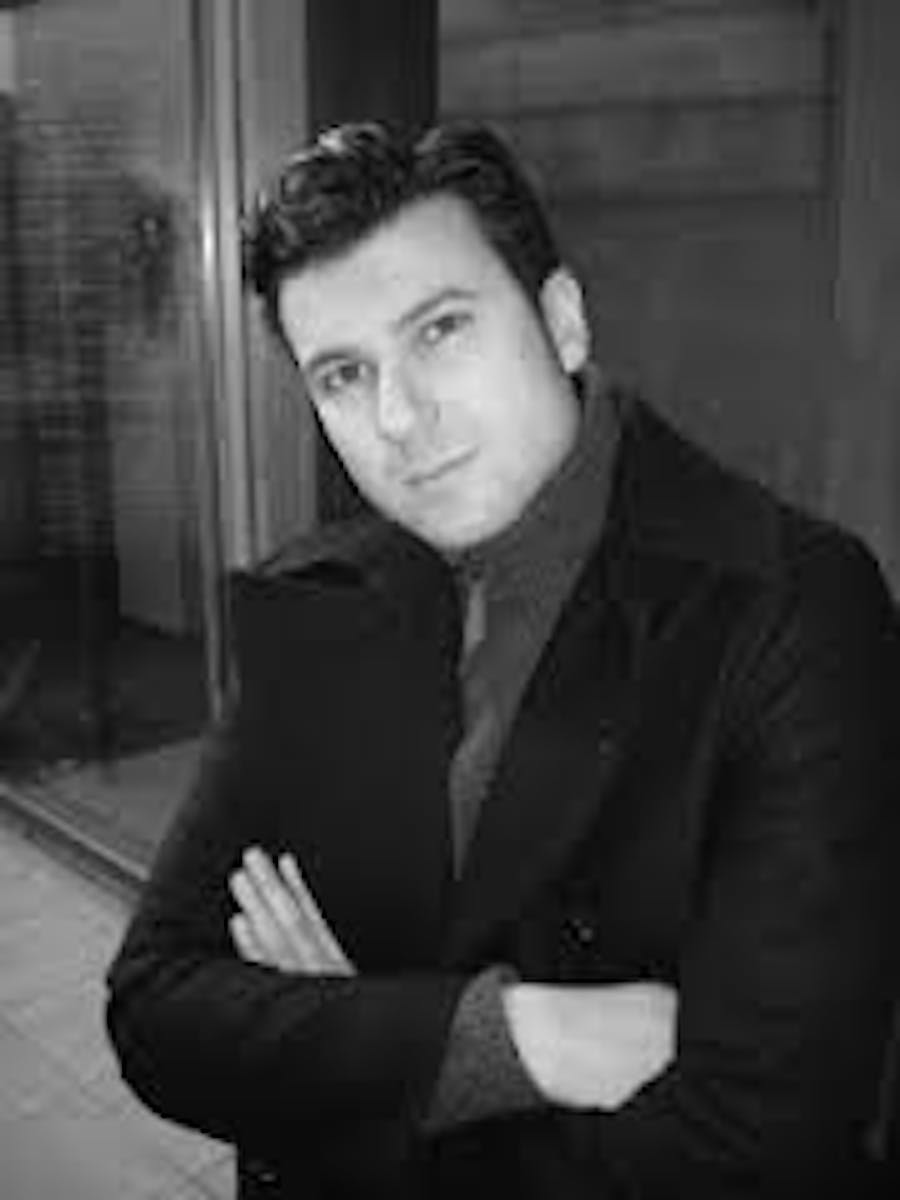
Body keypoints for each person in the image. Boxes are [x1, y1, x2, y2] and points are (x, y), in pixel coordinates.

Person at [105, 121, 900, 1199]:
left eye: (440, 330)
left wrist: (344, 1071)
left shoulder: (793, 608)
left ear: (562, 322)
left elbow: (758, 1143)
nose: (399, 418)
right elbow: (156, 1007)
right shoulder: (323, 601)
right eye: (343, 374)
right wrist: (508, 1040)